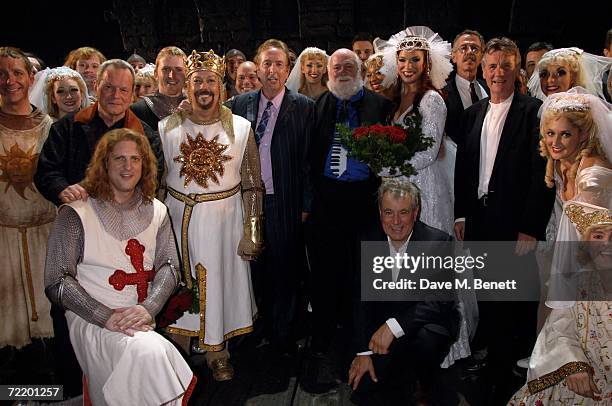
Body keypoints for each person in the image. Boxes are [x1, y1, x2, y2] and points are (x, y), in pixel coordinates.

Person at [44, 128, 196, 405]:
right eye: (119, 159)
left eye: (135, 159)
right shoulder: (77, 211)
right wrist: (105, 316)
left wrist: (147, 308)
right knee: (150, 353)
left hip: (137, 317)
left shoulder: (157, 210)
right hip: (90, 317)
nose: (128, 167)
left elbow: (170, 267)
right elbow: (57, 281)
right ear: (104, 164)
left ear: (145, 165)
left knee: (147, 353)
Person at [454, 37, 556, 402]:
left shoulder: (533, 112)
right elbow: (464, 169)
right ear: (483, 70)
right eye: (492, 66)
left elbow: (540, 176)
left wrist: (530, 227)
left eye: (506, 66)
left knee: (511, 299)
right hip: (479, 219)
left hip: (514, 222)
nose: (498, 73)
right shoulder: (474, 112)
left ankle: (504, 374)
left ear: (518, 71)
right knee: (487, 292)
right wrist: (462, 213)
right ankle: (496, 361)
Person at [159, 49, 262, 381]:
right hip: (178, 220)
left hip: (225, 224)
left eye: (211, 81)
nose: (204, 87)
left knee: (217, 284)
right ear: (188, 87)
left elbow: (252, 184)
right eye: (198, 80)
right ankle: (176, 351)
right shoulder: (166, 128)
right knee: (177, 283)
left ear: (223, 87)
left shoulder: (242, 129)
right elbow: (157, 184)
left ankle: (219, 351)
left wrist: (253, 232)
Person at [306, 48, 393, 391]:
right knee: (327, 279)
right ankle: (327, 348)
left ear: (359, 70)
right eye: (336, 66)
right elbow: (310, 157)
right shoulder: (319, 106)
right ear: (328, 72)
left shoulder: (380, 105)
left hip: (364, 204)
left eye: (348, 66)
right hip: (327, 203)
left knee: (362, 278)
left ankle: (364, 346)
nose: (342, 71)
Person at [231, 39, 315, 357]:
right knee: (254, 271)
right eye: (267, 63)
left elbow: (309, 159)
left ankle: (284, 336)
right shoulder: (239, 105)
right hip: (247, 202)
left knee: (285, 270)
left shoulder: (303, 107)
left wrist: (306, 204)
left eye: (279, 64)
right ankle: (258, 328)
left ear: (288, 69)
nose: (272, 70)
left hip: (285, 201)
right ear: (257, 66)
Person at [348, 180, 460, 405]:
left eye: (403, 213)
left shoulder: (438, 242)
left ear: (416, 213)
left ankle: (425, 384)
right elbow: (358, 299)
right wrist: (363, 353)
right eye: (388, 213)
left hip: (424, 326)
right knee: (362, 390)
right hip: (384, 329)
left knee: (428, 341)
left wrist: (393, 326)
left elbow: (439, 301)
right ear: (380, 212)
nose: (396, 222)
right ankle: (402, 373)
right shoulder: (366, 239)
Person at [35, 59, 164, 207]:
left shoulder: (147, 136)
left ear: (131, 93)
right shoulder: (65, 128)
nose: (116, 95)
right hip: (79, 215)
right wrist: (62, 189)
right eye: (109, 87)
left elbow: (152, 180)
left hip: (126, 219)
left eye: (123, 89)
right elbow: (46, 171)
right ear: (96, 86)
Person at [0, 46, 55, 350]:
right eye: (1, 74)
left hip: (46, 237)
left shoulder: (52, 129)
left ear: (32, 77)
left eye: (17, 73)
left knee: (49, 341)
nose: (10, 81)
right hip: (2, 240)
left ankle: (49, 394)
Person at [376, 25, 455, 235]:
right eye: (402, 59)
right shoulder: (394, 100)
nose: (407, 66)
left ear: (426, 63)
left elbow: (429, 152)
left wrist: (391, 168)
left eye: (415, 60)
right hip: (398, 187)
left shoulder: (431, 100)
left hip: (424, 185)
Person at [444, 29, 488, 145]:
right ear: (453, 56)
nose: (469, 52)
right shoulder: (442, 92)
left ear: (482, 56)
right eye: (463, 48)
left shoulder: (490, 89)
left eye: (475, 48)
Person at [130, 46, 187, 131]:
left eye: (178, 70)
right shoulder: (137, 110)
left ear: (186, 74)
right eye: (166, 69)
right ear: (156, 73)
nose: (171, 75)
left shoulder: (196, 108)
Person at [528, 47, 612, 101]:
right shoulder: (536, 111)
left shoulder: (585, 111)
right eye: (544, 74)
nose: (550, 80)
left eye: (560, 73)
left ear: (573, 76)